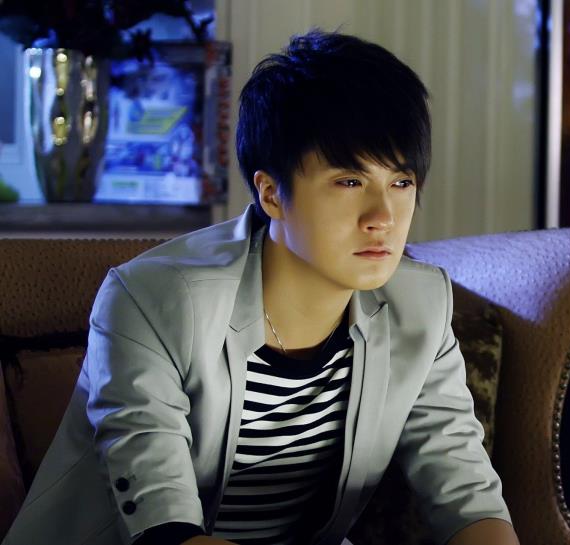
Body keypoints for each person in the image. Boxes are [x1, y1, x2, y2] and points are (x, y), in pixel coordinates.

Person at [2, 30, 519, 545]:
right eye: (349, 181)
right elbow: (165, 527)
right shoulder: (152, 299)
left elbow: (469, 497)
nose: (383, 216)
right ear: (271, 193)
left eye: (401, 182)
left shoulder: (420, 305)